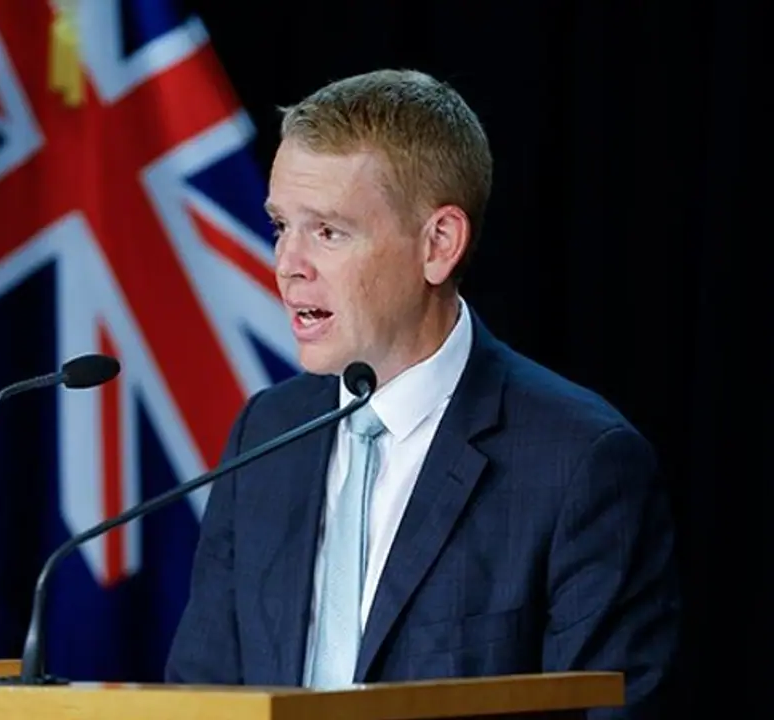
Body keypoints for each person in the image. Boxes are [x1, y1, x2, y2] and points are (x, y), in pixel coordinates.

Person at [164, 69, 680, 719]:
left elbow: (611, 710)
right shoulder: (268, 432)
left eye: (327, 231)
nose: (288, 263)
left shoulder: (579, 462)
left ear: (438, 244)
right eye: (280, 226)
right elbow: (201, 695)